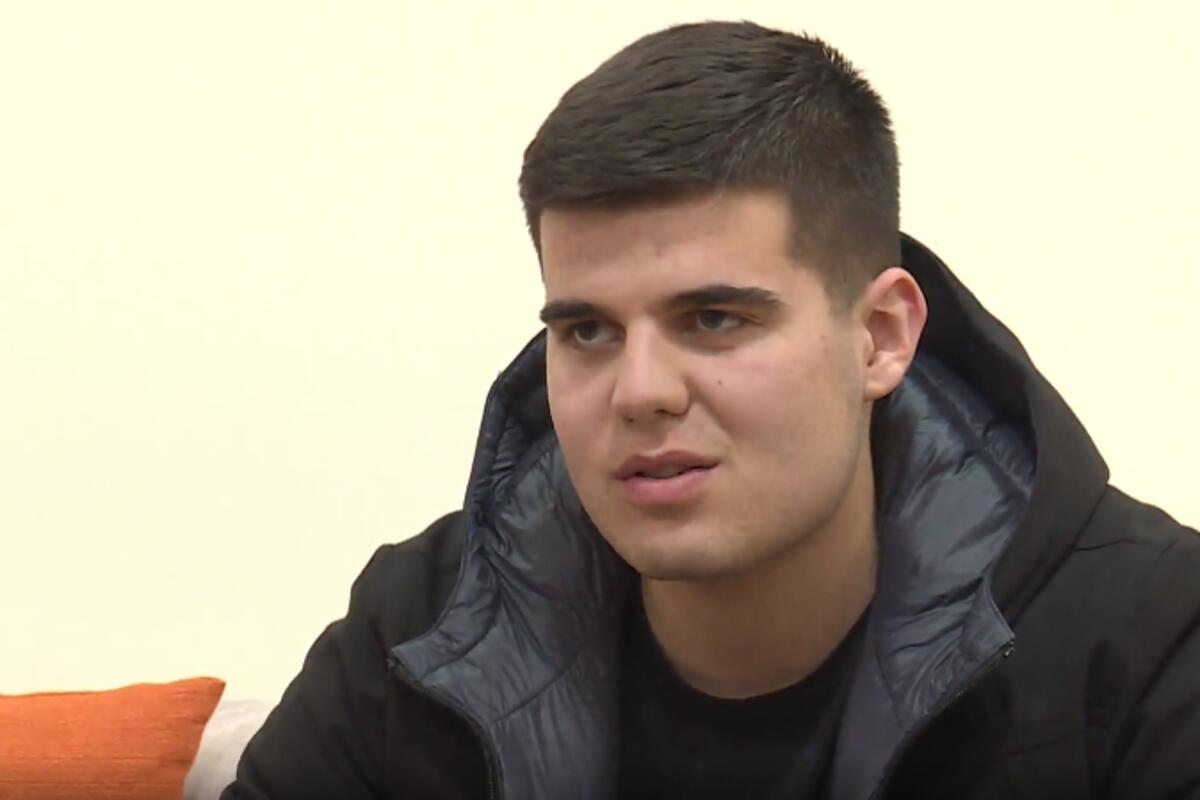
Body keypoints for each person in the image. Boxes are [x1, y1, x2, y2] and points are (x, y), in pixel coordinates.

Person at [221, 20, 1200, 800]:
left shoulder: (1151, 640)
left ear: (880, 336)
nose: (641, 389)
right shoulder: (421, 630)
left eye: (715, 319)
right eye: (588, 330)